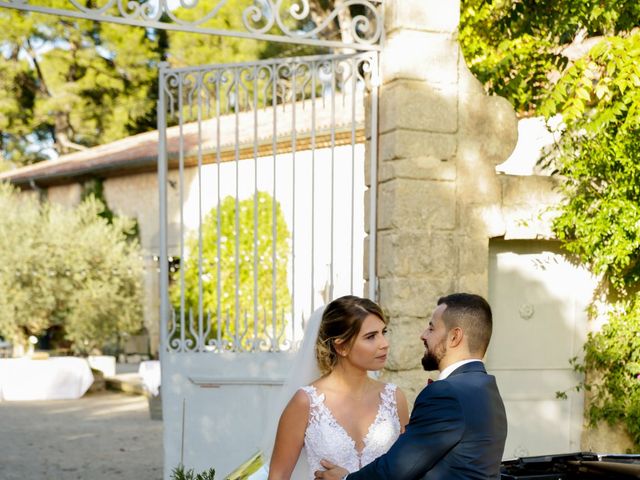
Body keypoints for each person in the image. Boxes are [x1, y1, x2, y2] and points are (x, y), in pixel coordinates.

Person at [315, 292, 507, 480]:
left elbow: (398, 469)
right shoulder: (487, 388)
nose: (423, 335)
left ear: (454, 337)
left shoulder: (446, 393)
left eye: (431, 328)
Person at [266, 295, 410, 480]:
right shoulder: (306, 402)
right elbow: (277, 477)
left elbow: (407, 470)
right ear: (341, 347)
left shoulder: (394, 398)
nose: (384, 344)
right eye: (371, 336)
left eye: (384, 332)